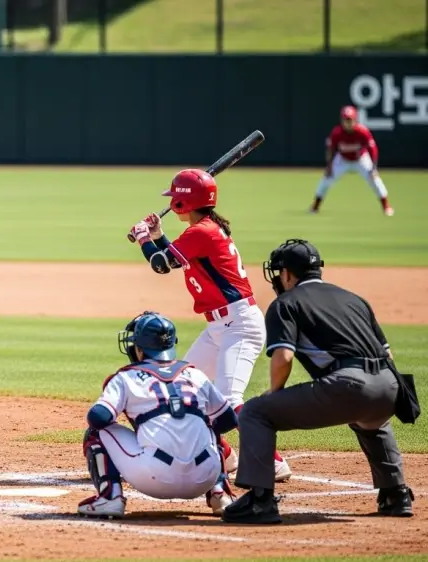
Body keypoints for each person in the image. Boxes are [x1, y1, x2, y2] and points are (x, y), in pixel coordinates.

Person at [222, 238, 414, 524]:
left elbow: (283, 357)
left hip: (349, 386)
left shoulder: (285, 303)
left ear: (287, 273)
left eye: (278, 272)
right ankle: (395, 494)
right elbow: (387, 353)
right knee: (371, 419)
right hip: (390, 387)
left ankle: (260, 501)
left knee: (255, 411)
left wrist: (273, 394)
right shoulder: (354, 299)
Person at [128, 169, 291, 486]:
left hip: (239, 325)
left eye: (175, 197)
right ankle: (225, 454)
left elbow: (161, 265)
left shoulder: (202, 232)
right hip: (220, 327)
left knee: (230, 398)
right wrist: (158, 235)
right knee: (184, 390)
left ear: (182, 202)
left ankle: (273, 461)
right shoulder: (203, 229)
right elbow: (179, 256)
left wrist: (144, 237)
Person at [78, 311, 239, 519]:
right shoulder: (196, 374)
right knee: (208, 421)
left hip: (154, 477)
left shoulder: (126, 377)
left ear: (139, 347)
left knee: (95, 433)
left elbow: (98, 418)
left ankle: (110, 498)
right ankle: (220, 494)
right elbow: (228, 420)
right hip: (204, 477)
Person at [310, 105, 393, 216]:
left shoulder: (362, 131)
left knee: (375, 180)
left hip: (361, 159)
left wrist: (374, 168)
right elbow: (331, 149)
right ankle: (315, 207)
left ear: (355, 119)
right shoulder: (337, 133)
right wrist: (329, 166)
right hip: (342, 159)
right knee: (326, 179)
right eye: (345, 120)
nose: (347, 122)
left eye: (350, 119)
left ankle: (386, 206)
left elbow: (373, 149)